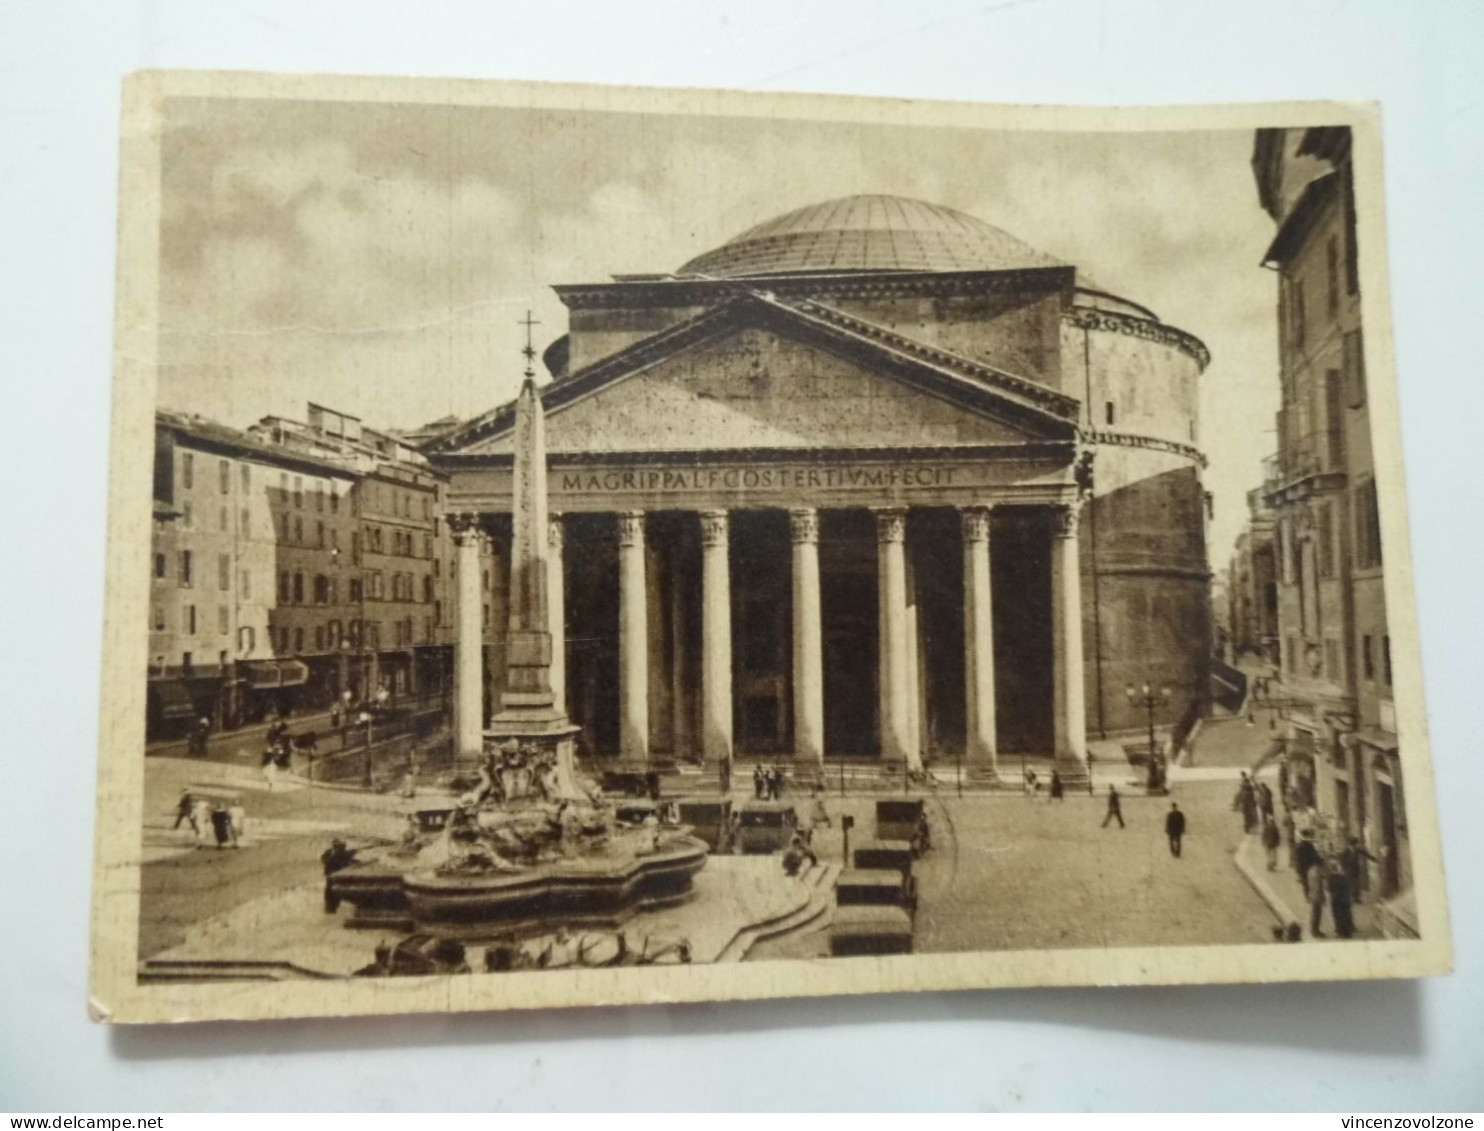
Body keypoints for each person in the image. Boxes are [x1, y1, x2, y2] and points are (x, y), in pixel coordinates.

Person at [1340, 836, 1378, 905]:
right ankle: (1351, 898)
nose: (1355, 846)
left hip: (1356, 869)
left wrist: (1374, 859)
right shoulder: (1346, 851)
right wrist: (1343, 869)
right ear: (1351, 844)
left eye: (1355, 844)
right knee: (1350, 884)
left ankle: (1356, 898)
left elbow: (1365, 854)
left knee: (1357, 884)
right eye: (1354, 844)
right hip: (1349, 870)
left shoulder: (1357, 850)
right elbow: (1342, 861)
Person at [1329, 863, 1357, 939]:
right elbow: (1349, 888)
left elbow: (1330, 889)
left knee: (1338, 916)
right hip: (1345, 899)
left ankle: (1340, 931)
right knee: (1346, 915)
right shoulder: (1344, 877)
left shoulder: (1331, 877)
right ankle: (1347, 932)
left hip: (1336, 899)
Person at [1295, 829, 1321, 898]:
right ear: (1306, 836)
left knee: (1305, 883)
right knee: (1310, 882)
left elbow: (1297, 859)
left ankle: (1307, 896)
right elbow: (1314, 856)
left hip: (1303, 868)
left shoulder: (1299, 846)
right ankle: (1309, 895)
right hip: (1310, 866)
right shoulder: (1310, 846)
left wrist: (1298, 870)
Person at [1308, 855, 1329, 937]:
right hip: (1318, 894)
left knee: (1314, 913)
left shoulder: (1311, 870)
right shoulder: (1319, 872)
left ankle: (1314, 929)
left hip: (1312, 893)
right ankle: (1315, 931)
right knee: (1317, 914)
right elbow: (1325, 881)